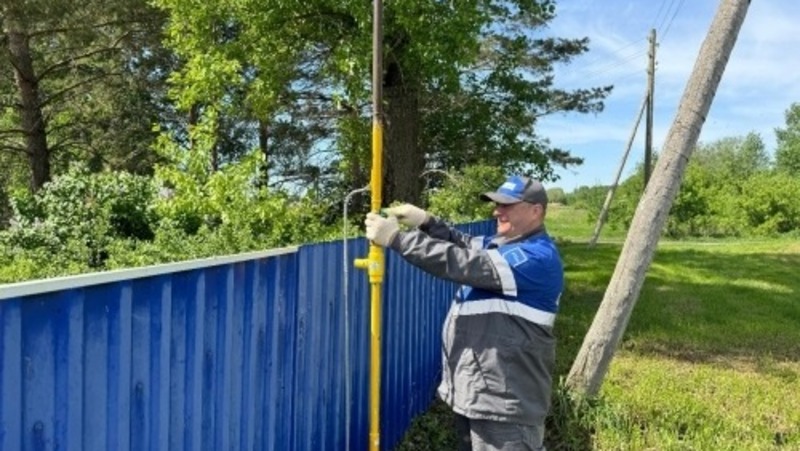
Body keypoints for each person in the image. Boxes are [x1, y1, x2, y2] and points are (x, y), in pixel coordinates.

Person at [364, 175, 563, 451]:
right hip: (482, 396)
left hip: (505, 406)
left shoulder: (536, 258)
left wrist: (397, 239)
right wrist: (426, 221)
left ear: (536, 210)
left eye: (507, 206)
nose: (497, 211)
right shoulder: (504, 244)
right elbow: (462, 243)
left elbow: (460, 262)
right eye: (496, 205)